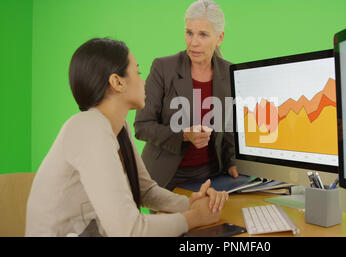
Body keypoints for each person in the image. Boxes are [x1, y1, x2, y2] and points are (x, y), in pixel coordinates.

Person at [25, 38, 228, 237]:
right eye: (138, 73)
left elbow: (145, 191)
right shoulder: (88, 128)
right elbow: (130, 230)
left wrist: (191, 203)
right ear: (117, 82)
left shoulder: (117, 127)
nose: (143, 81)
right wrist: (192, 218)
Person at [134, 0, 238, 191]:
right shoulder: (163, 68)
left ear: (219, 38)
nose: (193, 42)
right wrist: (183, 135)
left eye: (203, 34)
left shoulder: (229, 72)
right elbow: (142, 126)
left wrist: (232, 161)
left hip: (212, 176)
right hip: (166, 177)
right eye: (189, 32)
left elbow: (230, 129)